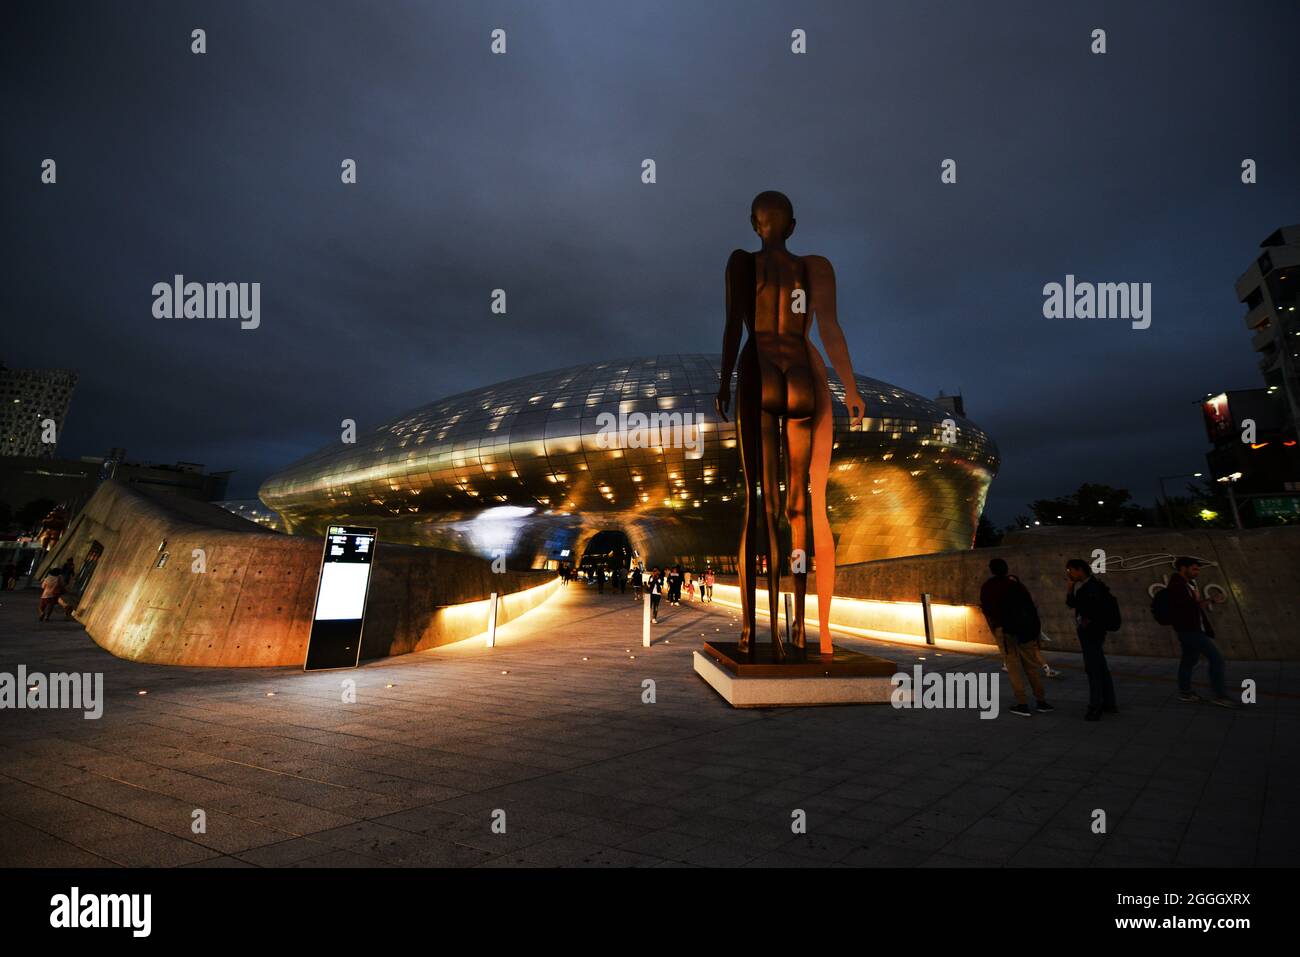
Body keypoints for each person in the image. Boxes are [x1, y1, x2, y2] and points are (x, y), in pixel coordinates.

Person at [979, 558, 1052, 717]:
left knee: (1013, 667)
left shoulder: (988, 587)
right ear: (1006, 569)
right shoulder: (1016, 584)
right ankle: (1041, 702)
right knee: (1031, 666)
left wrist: (995, 630)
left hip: (1004, 631)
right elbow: (1030, 605)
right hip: (1024, 630)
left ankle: (1022, 704)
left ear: (991, 570)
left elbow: (987, 611)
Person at [1165, 556, 1233, 707]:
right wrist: (1210, 600)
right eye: (1194, 569)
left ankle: (1186, 693)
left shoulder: (1185, 584)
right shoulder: (1177, 586)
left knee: (1188, 661)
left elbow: (1192, 607)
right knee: (1216, 659)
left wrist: (1206, 601)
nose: (1196, 572)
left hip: (1190, 629)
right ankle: (1220, 695)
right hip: (1190, 630)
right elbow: (1188, 608)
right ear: (1183, 568)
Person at [1065, 558, 1118, 721]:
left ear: (1080, 569)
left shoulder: (1090, 588)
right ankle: (1109, 702)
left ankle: (1095, 707)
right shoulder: (1091, 586)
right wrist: (1070, 588)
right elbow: (1073, 603)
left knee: (1093, 670)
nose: (1069, 574)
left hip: (1091, 633)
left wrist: (1089, 621)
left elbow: (1089, 609)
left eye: (1070, 570)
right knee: (1101, 667)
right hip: (1095, 633)